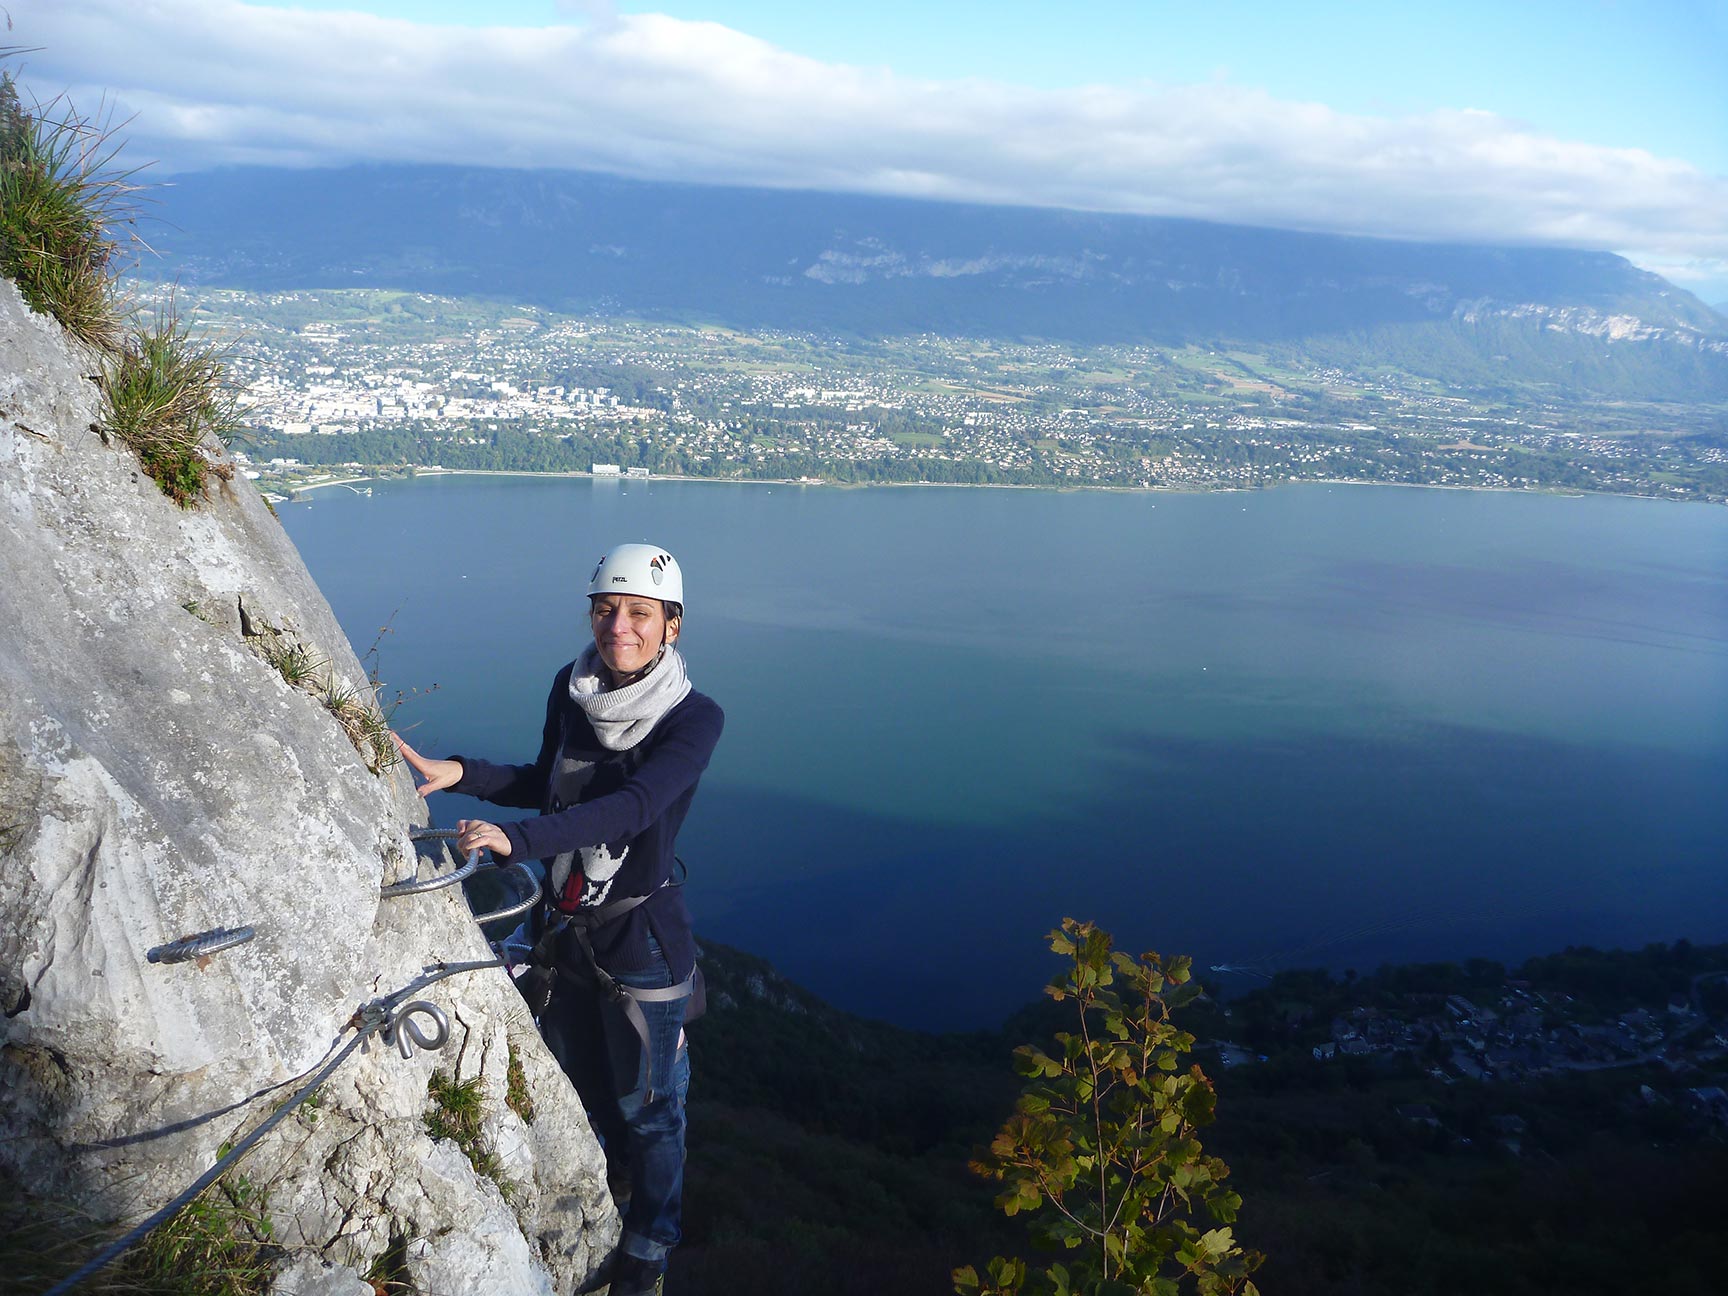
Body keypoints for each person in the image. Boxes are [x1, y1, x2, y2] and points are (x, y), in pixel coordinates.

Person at [394, 543, 724, 1296]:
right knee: (579, 1086)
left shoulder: (695, 719)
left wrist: (525, 841)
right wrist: (463, 774)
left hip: (641, 940)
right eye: (606, 610)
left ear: (671, 626)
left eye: (640, 613)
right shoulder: (570, 689)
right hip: (568, 930)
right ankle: (598, 1198)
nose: (619, 627)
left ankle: (650, 1242)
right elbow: (550, 783)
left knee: (651, 1107)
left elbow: (636, 808)